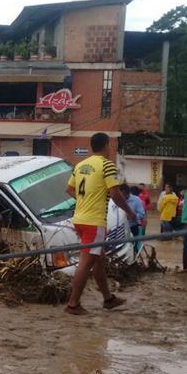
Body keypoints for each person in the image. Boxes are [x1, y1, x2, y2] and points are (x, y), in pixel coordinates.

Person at [64, 132, 136, 315]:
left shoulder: (80, 165)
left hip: (79, 219)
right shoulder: (107, 165)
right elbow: (115, 193)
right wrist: (129, 211)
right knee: (86, 263)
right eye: (109, 145)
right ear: (106, 145)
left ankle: (108, 299)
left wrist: (85, 200)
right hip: (94, 222)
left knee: (98, 260)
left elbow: (69, 189)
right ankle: (73, 304)